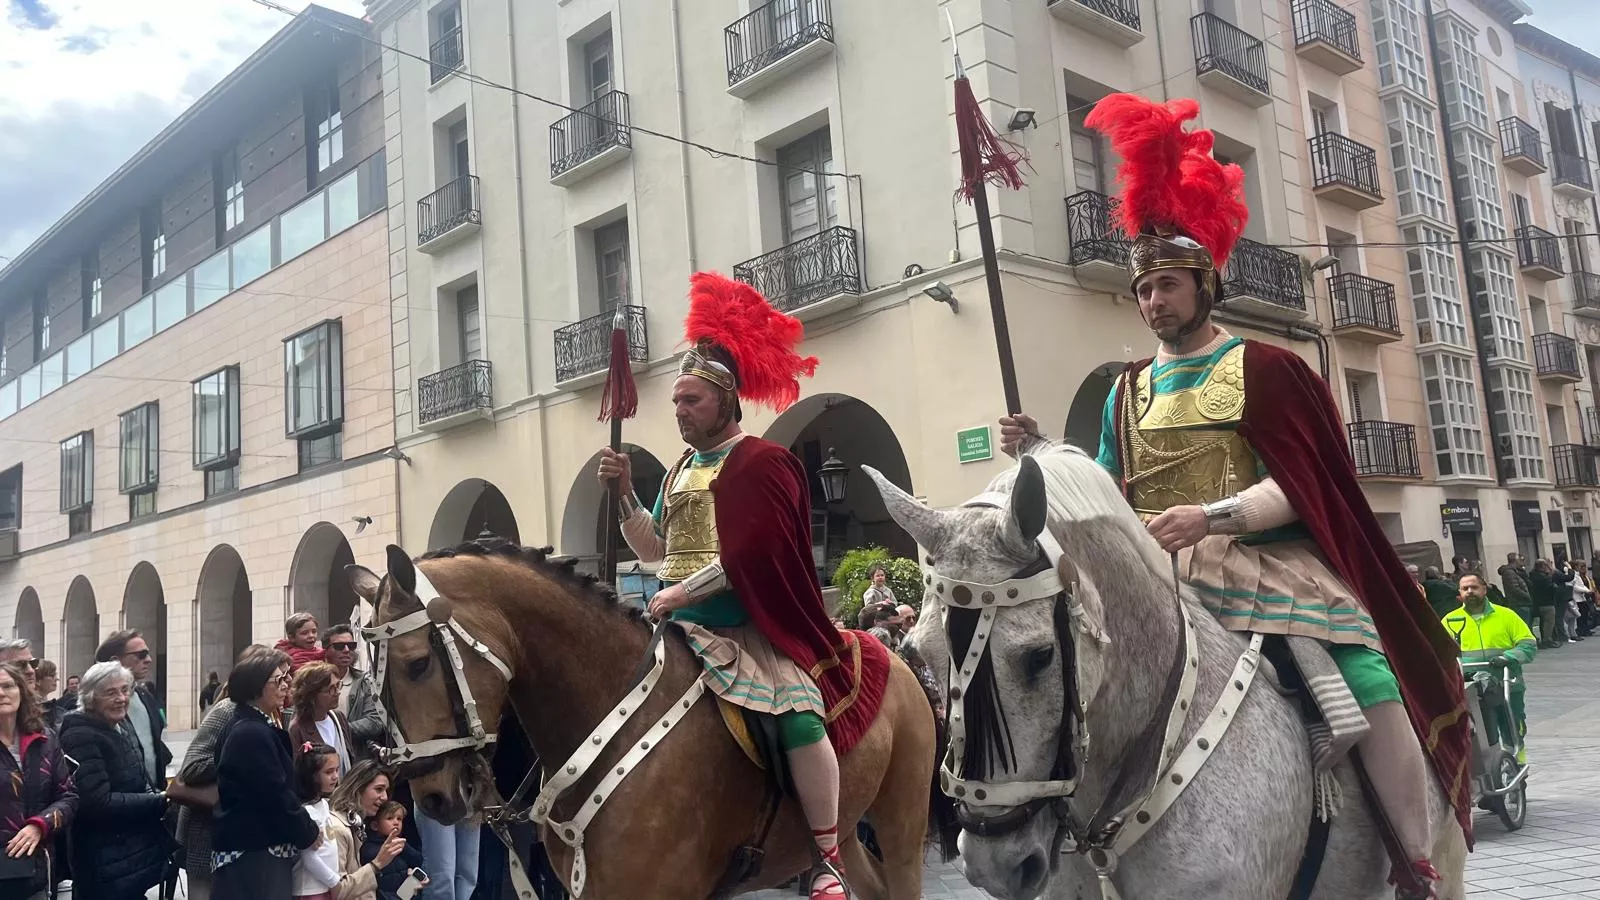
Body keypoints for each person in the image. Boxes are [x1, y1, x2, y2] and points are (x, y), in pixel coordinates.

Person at [997, 93, 1471, 899]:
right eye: (1144, 291)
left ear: (1205, 284)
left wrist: (1214, 516)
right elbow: (1110, 486)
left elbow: (1311, 482)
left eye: (1169, 286)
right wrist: (1041, 451)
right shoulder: (1125, 392)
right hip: (1159, 573)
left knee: (1365, 676)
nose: (1154, 302)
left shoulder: (1269, 368)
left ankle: (1413, 854)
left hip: (1268, 566)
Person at [599, 272, 865, 899]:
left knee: (799, 721)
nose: (680, 413)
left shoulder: (765, 462)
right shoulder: (678, 472)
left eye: (691, 401)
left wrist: (682, 593)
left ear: (724, 402)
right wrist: (624, 496)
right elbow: (656, 548)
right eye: (676, 403)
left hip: (746, 626)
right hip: (676, 621)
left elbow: (756, 554)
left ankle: (827, 857)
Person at [58, 661, 174, 900]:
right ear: (90, 697)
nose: (121, 698)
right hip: (101, 858)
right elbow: (97, 802)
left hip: (128, 853)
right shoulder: (80, 734)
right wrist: (160, 800)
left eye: (124, 690)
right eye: (111, 693)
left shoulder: (120, 724)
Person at [212, 648, 320, 898]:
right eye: (279, 680)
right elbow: (274, 793)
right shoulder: (250, 732)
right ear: (255, 686)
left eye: (287, 677)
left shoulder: (255, 725)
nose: (287, 684)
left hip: (258, 846)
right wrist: (307, 831)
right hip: (255, 850)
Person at [176, 646, 271, 900]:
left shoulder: (269, 715)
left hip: (243, 838)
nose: (286, 683)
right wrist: (238, 758)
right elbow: (193, 767)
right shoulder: (226, 711)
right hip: (208, 835)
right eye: (278, 677)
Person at [1440, 573, 1536, 764]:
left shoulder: (1506, 616)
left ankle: (1517, 768)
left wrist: (1507, 657)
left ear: (1484, 589)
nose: (1470, 592)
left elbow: (1529, 645)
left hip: (1507, 683)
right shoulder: (1450, 621)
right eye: (1465, 588)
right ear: (1459, 593)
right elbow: (1440, 654)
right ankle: (1491, 770)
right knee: (1481, 734)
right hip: (1472, 689)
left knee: (1513, 729)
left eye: (1474, 587)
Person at [0, 662, 76, 900]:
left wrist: (39, 825)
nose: (2, 693)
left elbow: (68, 796)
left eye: (8, 686)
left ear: (21, 691)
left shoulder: (44, 739)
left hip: (36, 869)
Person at [93, 630, 170, 794]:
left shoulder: (145, 696)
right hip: (120, 803)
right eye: (141, 655)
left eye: (148, 654)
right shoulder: (96, 705)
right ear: (115, 661)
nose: (148, 660)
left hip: (154, 800)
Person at [328, 761, 408, 900]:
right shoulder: (337, 828)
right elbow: (338, 891)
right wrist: (377, 864)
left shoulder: (360, 826)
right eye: (379, 789)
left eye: (386, 791)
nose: (384, 797)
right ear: (358, 788)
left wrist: (409, 884)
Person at [321, 626, 385, 762]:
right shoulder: (312, 681)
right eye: (339, 646)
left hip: (356, 762)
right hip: (321, 762)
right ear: (325, 650)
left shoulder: (365, 682)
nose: (346, 650)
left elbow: (375, 722)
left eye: (351, 645)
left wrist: (335, 729)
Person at [292, 744, 343, 900]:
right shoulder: (306, 812)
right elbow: (309, 857)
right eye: (329, 772)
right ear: (312, 775)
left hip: (325, 884)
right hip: (310, 888)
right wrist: (334, 882)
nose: (335, 776)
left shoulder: (324, 804)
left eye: (337, 770)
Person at [287, 663, 355, 775]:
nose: (337, 692)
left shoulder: (339, 718)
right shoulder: (298, 729)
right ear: (312, 695)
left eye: (338, 685)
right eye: (330, 689)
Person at [363, 802, 428, 900]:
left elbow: (418, 861)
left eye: (399, 819)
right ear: (375, 825)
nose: (396, 822)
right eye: (390, 818)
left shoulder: (402, 844)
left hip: (404, 894)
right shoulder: (370, 850)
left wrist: (413, 879)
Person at [1528, 560, 1561, 649]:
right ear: (1543, 567)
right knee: (1549, 622)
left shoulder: (1532, 575)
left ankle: (1545, 639)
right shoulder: (1545, 577)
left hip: (1538, 602)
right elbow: (1552, 587)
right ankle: (1547, 640)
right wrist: (1550, 571)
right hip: (1548, 602)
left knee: (1543, 622)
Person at [1497, 553, 1533, 625]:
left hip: (1521, 604)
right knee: (1523, 626)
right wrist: (1527, 596)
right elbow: (1515, 589)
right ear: (1515, 561)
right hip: (1519, 604)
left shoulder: (1514, 571)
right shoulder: (1509, 572)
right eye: (1520, 560)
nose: (1521, 562)